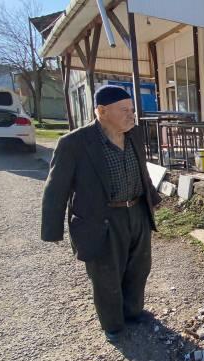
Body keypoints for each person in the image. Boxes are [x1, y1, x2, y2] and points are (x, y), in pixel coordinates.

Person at [41, 85, 161, 343]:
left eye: (132, 110)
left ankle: (133, 311)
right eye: (124, 110)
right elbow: (56, 188)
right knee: (106, 274)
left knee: (139, 267)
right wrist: (52, 230)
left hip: (136, 211)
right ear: (102, 111)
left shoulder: (134, 135)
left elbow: (141, 170)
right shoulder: (74, 143)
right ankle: (114, 324)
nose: (132, 115)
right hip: (102, 220)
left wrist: (152, 197)